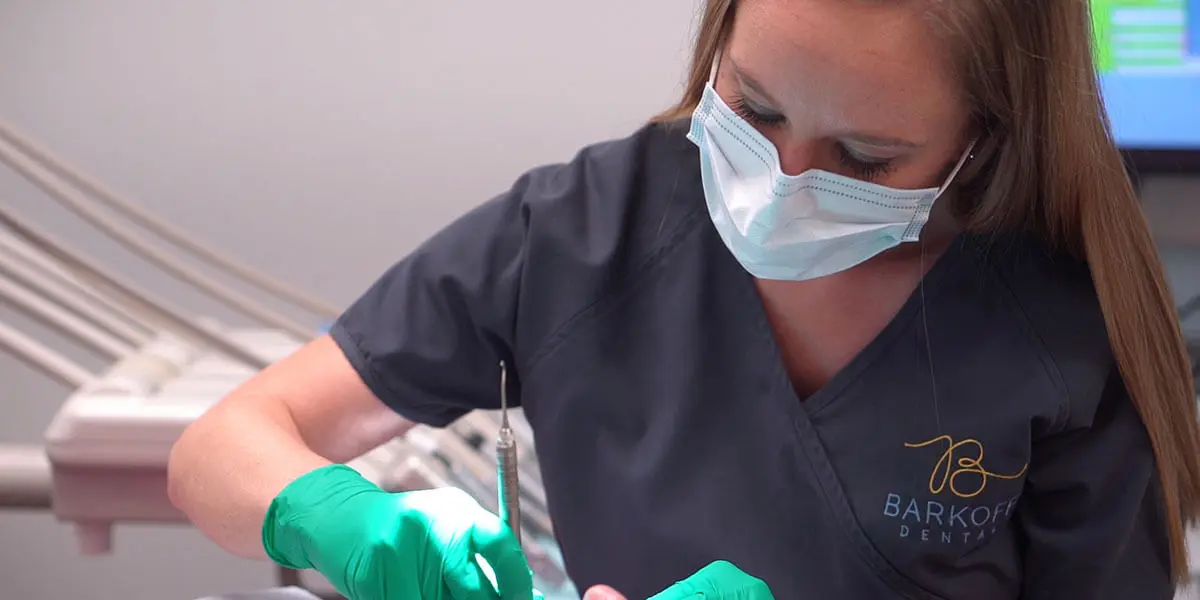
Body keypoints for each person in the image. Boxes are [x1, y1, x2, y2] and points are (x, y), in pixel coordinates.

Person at [166, 0, 1200, 598]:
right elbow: (223, 447)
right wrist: (339, 521)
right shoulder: (588, 230)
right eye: (754, 107)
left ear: (990, 135)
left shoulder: (1057, 326)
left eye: (866, 158)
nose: (781, 179)